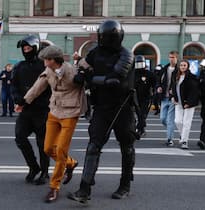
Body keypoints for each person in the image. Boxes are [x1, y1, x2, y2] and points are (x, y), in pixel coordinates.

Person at [67, 19, 136, 203]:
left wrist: (89, 76)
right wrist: (81, 75)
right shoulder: (95, 52)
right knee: (93, 146)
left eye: (104, 36)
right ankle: (84, 189)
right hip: (102, 106)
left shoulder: (126, 55)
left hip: (123, 108)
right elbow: (83, 70)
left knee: (126, 147)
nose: (102, 39)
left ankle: (125, 185)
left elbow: (114, 80)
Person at [16, 45, 87, 203]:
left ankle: (54, 187)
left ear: (55, 60)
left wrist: (82, 63)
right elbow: (37, 88)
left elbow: (89, 72)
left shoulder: (72, 70)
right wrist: (24, 102)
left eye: (47, 59)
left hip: (70, 112)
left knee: (61, 150)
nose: (44, 62)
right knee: (48, 148)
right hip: (54, 111)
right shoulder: (48, 71)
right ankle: (71, 163)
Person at [11, 35, 51, 185]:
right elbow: (13, 86)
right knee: (20, 137)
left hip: (42, 110)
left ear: (35, 48)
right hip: (26, 110)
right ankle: (34, 167)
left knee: (43, 144)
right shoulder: (19, 66)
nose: (26, 51)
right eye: (24, 49)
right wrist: (17, 99)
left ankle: (45, 172)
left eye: (28, 48)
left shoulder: (44, 65)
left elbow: (51, 87)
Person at [173, 60, 199, 149]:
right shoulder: (176, 76)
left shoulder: (191, 77)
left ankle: (184, 141)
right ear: (179, 67)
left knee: (186, 123)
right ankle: (182, 135)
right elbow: (173, 88)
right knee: (177, 121)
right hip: (178, 103)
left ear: (187, 66)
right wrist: (173, 97)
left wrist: (189, 103)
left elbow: (194, 92)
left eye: (184, 65)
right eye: (181, 65)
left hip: (189, 104)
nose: (183, 67)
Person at [156, 51, 179, 146]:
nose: (171, 59)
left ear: (177, 58)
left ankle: (170, 139)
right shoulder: (164, 69)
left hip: (172, 98)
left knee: (170, 120)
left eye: (173, 57)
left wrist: (174, 91)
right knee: (162, 119)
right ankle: (172, 129)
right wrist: (158, 87)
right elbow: (158, 81)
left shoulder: (179, 70)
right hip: (163, 98)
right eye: (170, 57)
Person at [134, 55, 156, 137]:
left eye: (140, 63)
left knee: (142, 114)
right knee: (138, 113)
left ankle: (139, 129)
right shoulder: (133, 73)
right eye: (137, 63)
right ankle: (141, 129)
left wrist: (155, 91)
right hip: (135, 97)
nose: (139, 65)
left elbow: (155, 83)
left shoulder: (149, 74)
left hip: (146, 97)